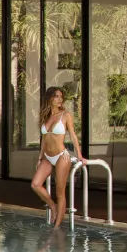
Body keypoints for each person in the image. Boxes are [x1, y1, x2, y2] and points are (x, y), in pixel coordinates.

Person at [32, 85, 83, 227]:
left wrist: (80, 156)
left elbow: (73, 136)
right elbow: (44, 139)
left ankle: (56, 227)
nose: (60, 99)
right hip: (47, 157)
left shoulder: (65, 115)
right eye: (57, 96)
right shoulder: (45, 116)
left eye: (61, 96)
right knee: (35, 184)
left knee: (60, 193)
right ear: (50, 98)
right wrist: (40, 157)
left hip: (61, 156)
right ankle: (52, 206)